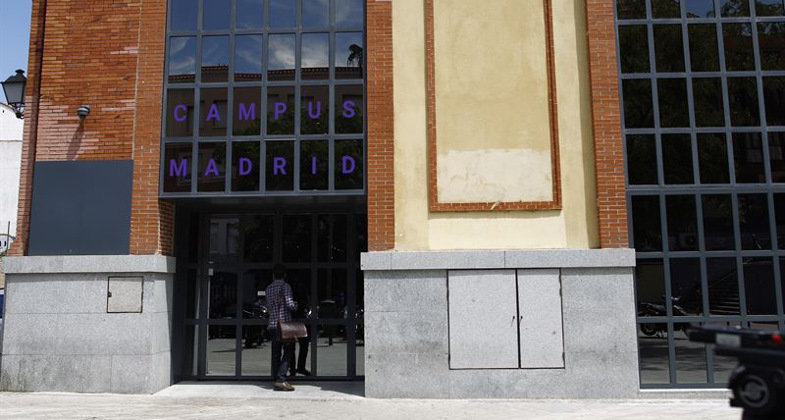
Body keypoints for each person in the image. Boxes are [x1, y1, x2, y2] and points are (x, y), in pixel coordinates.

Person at [265, 264, 297, 391]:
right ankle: (281, 378)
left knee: (276, 352)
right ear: (284, 275)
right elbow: (290, 304)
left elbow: (268, 308)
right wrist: (296, 305)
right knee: (289, 351)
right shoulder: (286, 286)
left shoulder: (268, 288)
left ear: (273, 275)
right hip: (284, 325)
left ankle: (275, 377)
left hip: (272, 324)